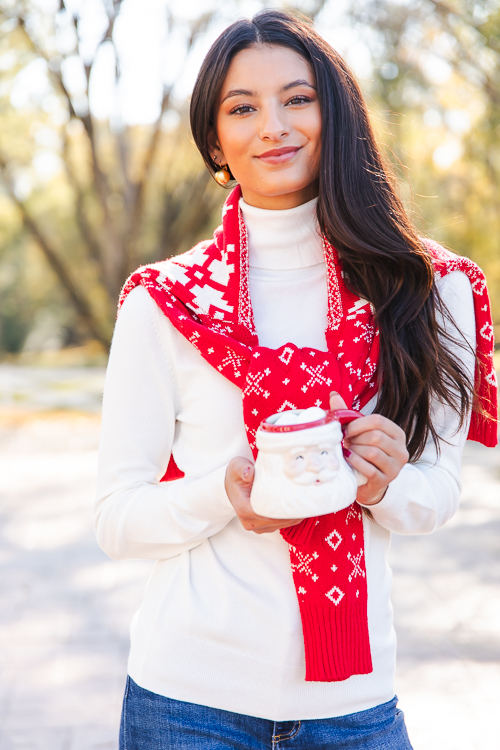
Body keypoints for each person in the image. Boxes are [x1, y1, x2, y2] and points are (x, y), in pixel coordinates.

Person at [94, 10, 498, 750]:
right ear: (216, 140)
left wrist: (384, 484)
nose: (273, 125)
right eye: (242, 108)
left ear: (334, 111)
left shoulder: (431, 289)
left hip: (356, 706)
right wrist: (225, 490)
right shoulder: (164, 302)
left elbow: (437, 492)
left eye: (298, 98)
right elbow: (117, 519)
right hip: (186, 704)